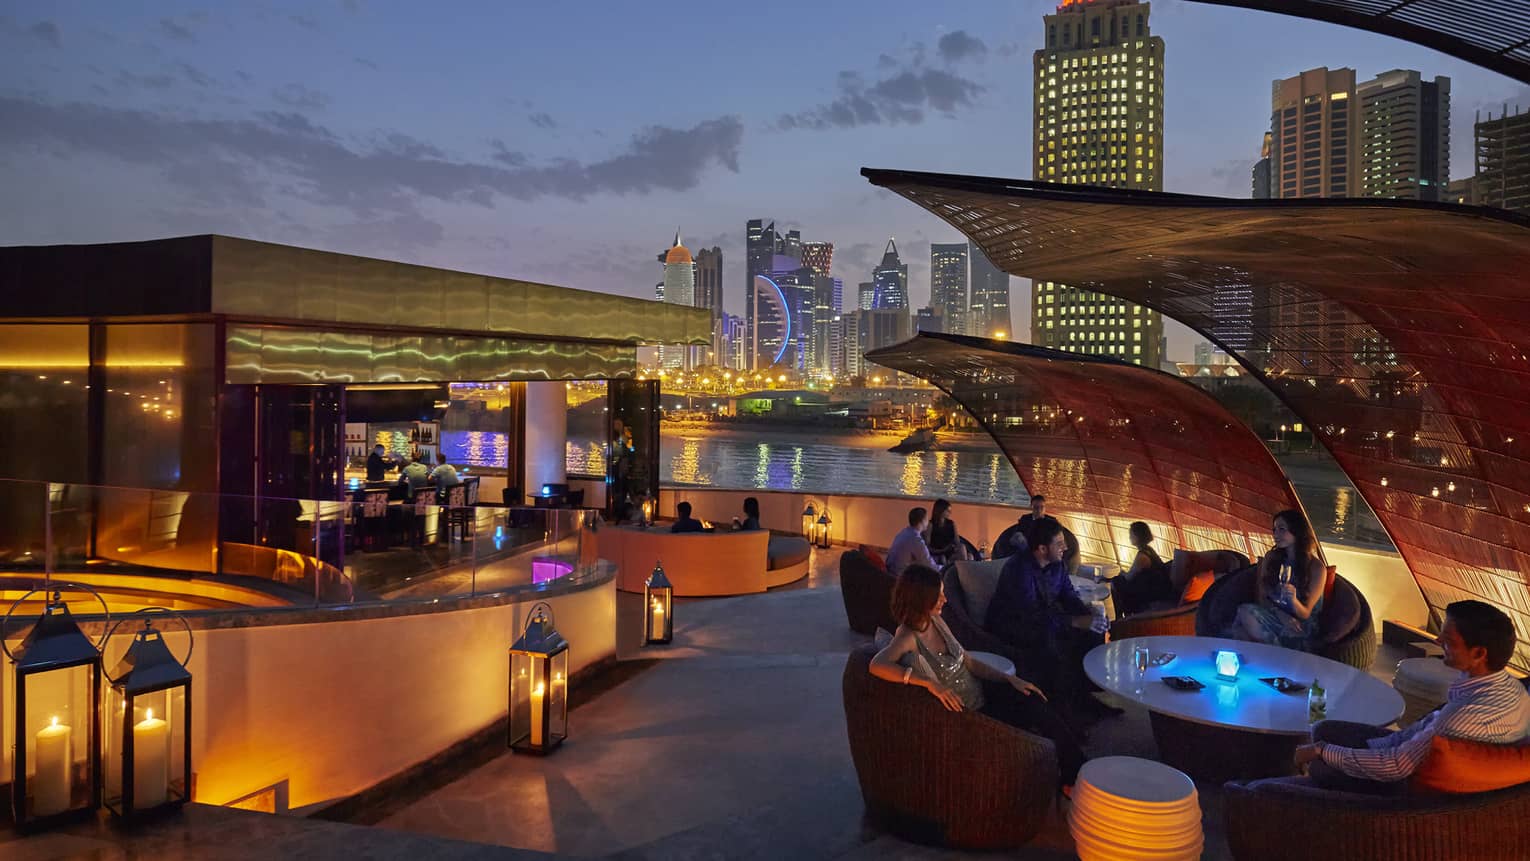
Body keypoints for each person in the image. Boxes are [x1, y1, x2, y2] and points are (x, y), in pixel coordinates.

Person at [869, 563, 1085, 788]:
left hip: (982, 692)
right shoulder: (907, 637)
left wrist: (1008, 678)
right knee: (1035, 714)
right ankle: (1076, 776)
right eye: (938, 595)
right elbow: (877, 664)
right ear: (921, 599)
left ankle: (1076, 770)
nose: (945, 599)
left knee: (1034, 692)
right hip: (970, 716)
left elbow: (968, 661)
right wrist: (927, 682)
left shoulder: (936, 621)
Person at [1294, 600, 1530, 793]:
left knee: (1320, 765)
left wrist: (1323, 751)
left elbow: (1396, 765)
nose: (1438, 641)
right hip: (1412, 755)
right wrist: (1375, 747)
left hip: (1405, 789)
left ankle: (1315, 801)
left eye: (1448, 639)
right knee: (1325, 729)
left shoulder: (1465, 715)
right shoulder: (1514, 689)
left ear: (1479, 653)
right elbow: (1420, 734)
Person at [985, 519, 1115, 719]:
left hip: (1043, 619)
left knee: (1092, 632)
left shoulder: (1058, 566)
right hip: (1012, 624)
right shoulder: (1019, 570)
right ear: (1043, 548)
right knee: (1049, 639)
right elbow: (1030, 614)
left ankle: (1084, 695)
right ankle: (1064, 711)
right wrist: (1074, 621)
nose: (1066, 547)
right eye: (1060, 543)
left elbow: (1069, 596)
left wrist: (1089, 616)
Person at [1225, 509, 1325, 650]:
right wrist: (1281, 614)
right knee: (1244, 611)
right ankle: (1276, 654)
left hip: (1299, 624)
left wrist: (1294, 601)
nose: (1276, 534)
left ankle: (1271, 658)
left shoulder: (1316, 568)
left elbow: (1306, 613)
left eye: (1282, 529)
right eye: (1274, 530)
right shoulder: (1272, 558)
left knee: (1241, 630)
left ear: (1297, 531)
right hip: (1275, 615)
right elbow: (1262, 597)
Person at [1110, 521, 1174, 616]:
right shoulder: (1148, 550)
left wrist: (1121, 573)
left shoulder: (1142, 556)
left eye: (1131, 534)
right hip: (1153, 586)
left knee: (1116, 582)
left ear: (1137, 536)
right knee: (1119, 581)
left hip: (1153, 591)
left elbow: (1129, 577)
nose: (1129, 537)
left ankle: (1120, 618)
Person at [887, 507, 939, 576]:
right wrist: (943, 568)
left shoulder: (904, 532)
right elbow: (929, 564)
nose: (928, 522)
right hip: (900, 577)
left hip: (891, 572)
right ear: (922, 521)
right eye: (927, 519)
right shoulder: (916, 540)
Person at [924, 499, 966, 566]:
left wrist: (955, 547)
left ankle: (964, 571)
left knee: (963, 548)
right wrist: (941, 550)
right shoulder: (930, 525)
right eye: (948, 511)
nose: (950, 513)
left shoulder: (951, 523)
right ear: (940, 511)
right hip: (937, 550)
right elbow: (927, 545)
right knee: (943, 558)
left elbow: (957, 541)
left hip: (949, 550)